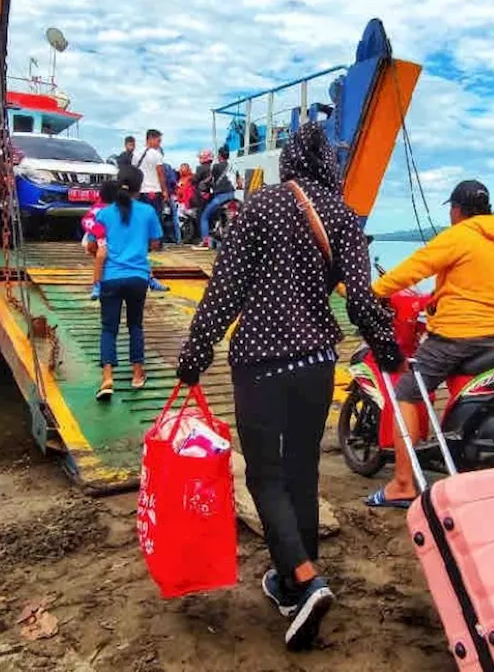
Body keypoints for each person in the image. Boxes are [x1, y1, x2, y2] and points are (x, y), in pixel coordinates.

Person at [176, 123, 402, 651]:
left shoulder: (259, 207)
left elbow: (225, 289)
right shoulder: (344, 216)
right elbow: (361, 299)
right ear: (327, 163)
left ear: (289, 162)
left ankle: (305, 578)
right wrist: (386, 348)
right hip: (318, 362)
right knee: (301, 469)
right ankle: (292, 582)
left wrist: (195, 352)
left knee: (264, 476)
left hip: (260, 361)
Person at [366, 179, 494, 508]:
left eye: (451, 208)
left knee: (407, 392)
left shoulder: (459, 235)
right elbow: (484, 288)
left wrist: (373, 292)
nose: (450, 214)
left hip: (456, 338)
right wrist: (440, 298)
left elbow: (413, 269)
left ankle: (403, 483)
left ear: (458, 210)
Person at [96, 167, 164, 401]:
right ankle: (137, 374)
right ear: (140, 187)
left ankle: (107, 378)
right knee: (135, 325)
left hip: (111, 277)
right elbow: (156, 244)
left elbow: (96, 247)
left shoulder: (103, 214)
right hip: (138, 278)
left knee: (108, 329)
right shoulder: (147, 212)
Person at [82, 181, 169, 299]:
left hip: (105, 238)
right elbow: (89, 223)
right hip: (99, 237)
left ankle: (150, 278)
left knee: (131, 254)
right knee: (102, 255)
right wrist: (99, 239)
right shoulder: (104, 209)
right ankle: (97, 285)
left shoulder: (104, 207)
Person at [199, 145, 241, 247]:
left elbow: (210, 180)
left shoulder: (216, 167)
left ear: (220, 156)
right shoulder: (234, 166)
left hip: (220, 197)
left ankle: (205, 241)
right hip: (232, 196)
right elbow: (240, 183)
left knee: (204, 217)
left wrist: (203, 184)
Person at [134, 129, 169, 230]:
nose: (159, 144)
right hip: (154, 191)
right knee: (155, 219)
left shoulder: (136, 154)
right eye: (158, 141)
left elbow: (134, 172)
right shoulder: (156, 154)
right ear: (151, 139)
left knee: (141, 218)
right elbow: (160, 174)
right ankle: (154, 242)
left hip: (140, 191)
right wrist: (165, 191)